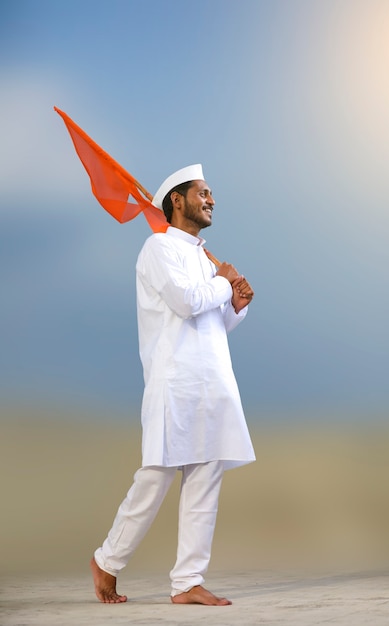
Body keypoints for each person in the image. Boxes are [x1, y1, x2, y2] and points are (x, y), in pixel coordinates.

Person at [90, 163, 255, 606]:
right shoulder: (156, 249)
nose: (211, 200)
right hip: (175, 381)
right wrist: (223, 284)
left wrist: (234, 305)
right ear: (177, 201)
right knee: (156, 477)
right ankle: (107, 559)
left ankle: (187, 582)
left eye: (211, 193)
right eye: (203, 193)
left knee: (206, 478)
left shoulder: (204, 256)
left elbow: (212, 324)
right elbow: (185, 304)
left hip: (214, 379)